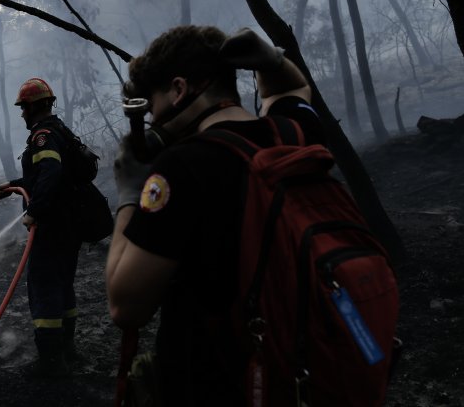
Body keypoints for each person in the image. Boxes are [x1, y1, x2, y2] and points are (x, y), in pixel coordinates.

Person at [106, 25, 328, 404]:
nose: (153, 123)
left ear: (178, 90)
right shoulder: (292, 132)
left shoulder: (183, 168)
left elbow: (125, 306)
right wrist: (273, 61)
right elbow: (291, 91)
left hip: (219, 384)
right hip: (305, 369)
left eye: (153, 106)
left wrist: (129, 194)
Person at [0, 78, 84, 378]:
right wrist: (13, 186)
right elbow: (46, 175)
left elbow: (52, 173)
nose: (22, 114)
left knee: (44, 287)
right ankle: (68, 351)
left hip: (52, 226)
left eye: (24, 108)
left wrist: (34, 211)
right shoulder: (60, 131)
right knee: (62, 285)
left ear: (35, 106)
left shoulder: (43, 136)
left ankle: (51, 361)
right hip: (70, 225)